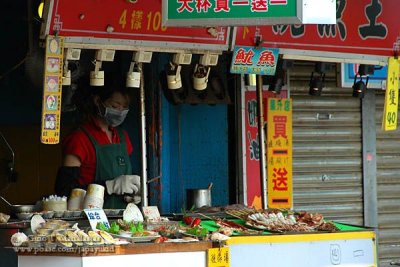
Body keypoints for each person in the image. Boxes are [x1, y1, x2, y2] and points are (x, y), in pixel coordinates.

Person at [55, 75, 140, 208]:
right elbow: (64, 190)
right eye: (115, 106)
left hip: (122, 219)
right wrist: (108, 187)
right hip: (89, 219)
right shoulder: (79, 139)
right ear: (98, 101)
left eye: (124, 107)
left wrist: (134, 193)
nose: (120, 111)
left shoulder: (123, 137)